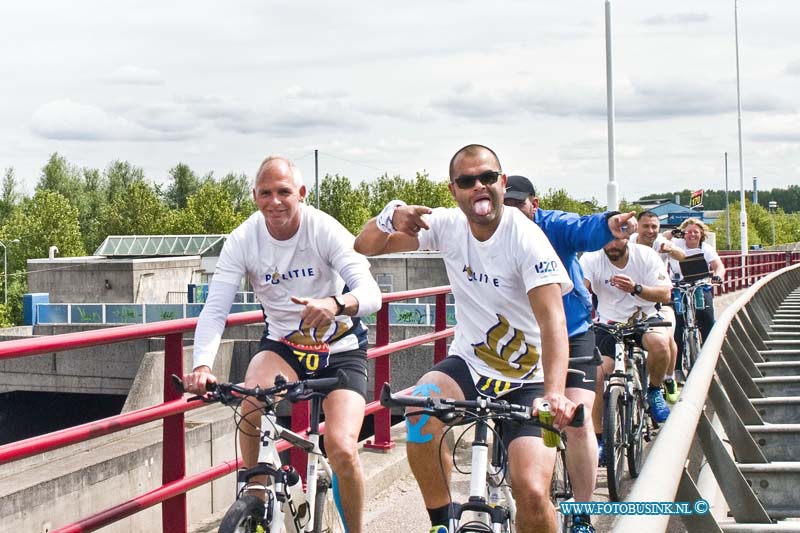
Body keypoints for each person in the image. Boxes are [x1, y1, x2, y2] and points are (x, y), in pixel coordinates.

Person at [355, 145, 577, 533]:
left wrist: (555, 393)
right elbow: (366, 246)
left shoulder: (527, 239)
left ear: (502, 183)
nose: (479, 187)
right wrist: (390, 216)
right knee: (420, 408)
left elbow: (553, 322)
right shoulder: (445, 225)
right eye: (467, 181)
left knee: (530, 491)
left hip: (529, 380)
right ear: (453, 190)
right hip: (471, 365)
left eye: (488, 178)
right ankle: (441, 521)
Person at [181, 155, 382, 533]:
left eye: (284, 192)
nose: (275, 202)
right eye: (266, 193)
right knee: (250, 400)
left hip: (340, 351)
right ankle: (256, 491)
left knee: (340, 447)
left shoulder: (323, 230)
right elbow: (215, 309)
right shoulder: (244, 239)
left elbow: (371, 294)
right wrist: (203, 365)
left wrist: (336, 304)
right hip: (285, 347)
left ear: (301, 194)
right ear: (254, 195)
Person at [503, 174, 639, 533]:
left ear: (534, 203)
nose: (513, 211)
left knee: (576, 419)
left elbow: (585, 229)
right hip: (522, 340)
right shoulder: (492, 232)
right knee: (527, 417)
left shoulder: (552, 226)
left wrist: (610, 224)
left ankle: (581, 512)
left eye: (519, 204)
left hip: (572, 331)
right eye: (507, 204)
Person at [580, 238, 673, 437]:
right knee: (595, 373)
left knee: (661, 345)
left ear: (627, 238)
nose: (611, 245)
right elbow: (580, 288)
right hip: (608, 322)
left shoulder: (645, 256)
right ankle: (598, 437)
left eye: (617, 241)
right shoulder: (592, 258)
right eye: (607, 240)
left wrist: (636, 289)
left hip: (644, 317)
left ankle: (655, 390)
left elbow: (665, 294)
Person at [629, 211, 686, 403]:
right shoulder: (628, 243)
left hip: (660, 299)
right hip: (632, 300)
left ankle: (668, 379)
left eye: (654, 227)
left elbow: (682, 255)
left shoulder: (660, 241)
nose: (651, 231)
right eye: (646, 226)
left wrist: (670, 249)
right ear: (637, 226)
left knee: (666, 335)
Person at [664, 217, 726, 377]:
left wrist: (717, 276)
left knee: (707, 318)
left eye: (695, 232)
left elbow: (718, 266)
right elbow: (661, 239)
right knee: (678, 323)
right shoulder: (676, 246)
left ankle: (712, 359)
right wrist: (673, 232)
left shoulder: (706, 248)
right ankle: (677, 368)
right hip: (680, 286)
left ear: (701, 234)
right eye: (688, 232)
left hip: (700, 285)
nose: (692, 235)